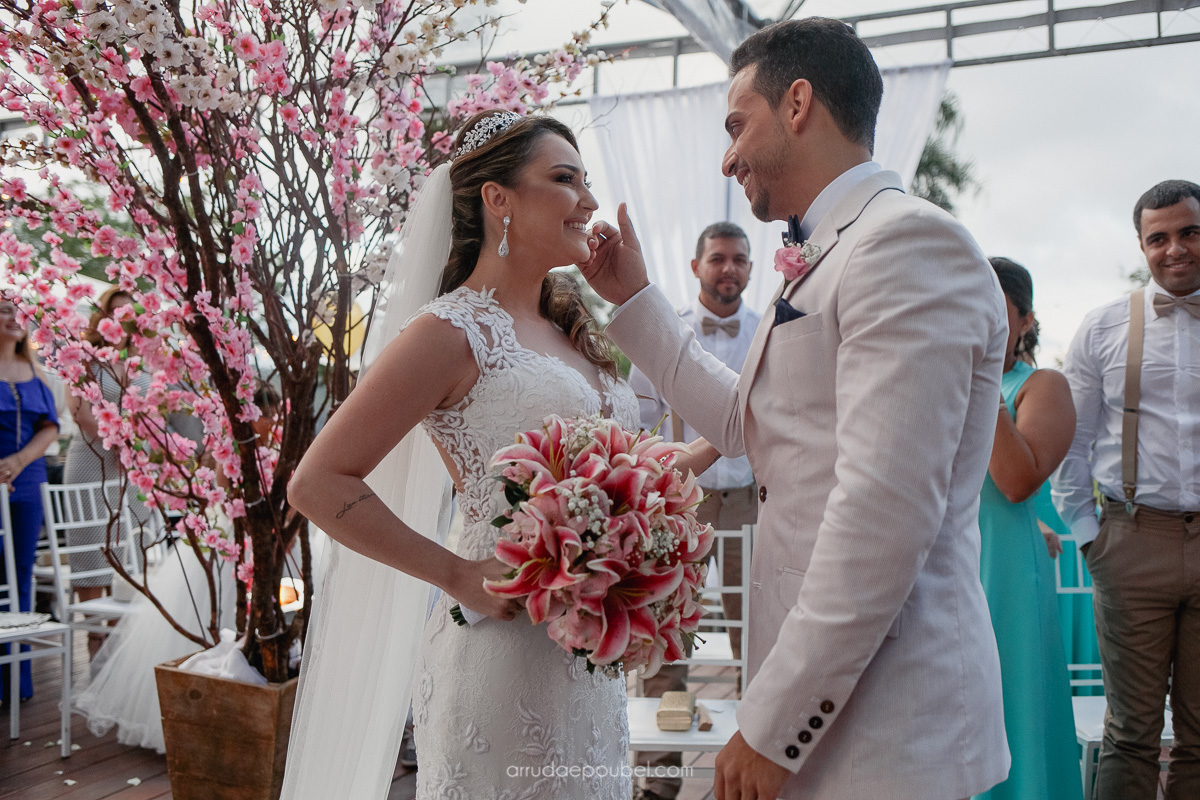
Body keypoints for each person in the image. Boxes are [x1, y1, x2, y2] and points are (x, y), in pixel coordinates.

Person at [579, 18, 1009, 800]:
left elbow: (885, 512)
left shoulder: (904, 245)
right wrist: (636, 301)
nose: (728, 155)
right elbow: (750, 423)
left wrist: (775, 726)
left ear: (799, 103)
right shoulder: (824, 252)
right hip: (825, 692)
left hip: (888, 716)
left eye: (737, 123)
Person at [282, 111, 717, 800]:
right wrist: (453, 572)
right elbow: (316, 483)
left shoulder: (577, 331)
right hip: (498, 652)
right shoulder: (449, 331)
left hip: (585, 657)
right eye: (564, 179)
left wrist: (731, 426)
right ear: (498, 198)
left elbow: (627, 486)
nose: (590, 200)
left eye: (587, 181)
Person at [1051, 179, 1200, 800]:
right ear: (1141, 247)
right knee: (1132, 732)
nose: (1175, 249)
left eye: (1189, 232)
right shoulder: (1105, 326)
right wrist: (1093, 541)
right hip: (1132, 543)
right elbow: (1072, 443)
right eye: (1158, 238)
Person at [74, 381, 284, 752]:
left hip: (270, 536)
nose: (269, 420)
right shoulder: (233, 443)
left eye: (272, 414)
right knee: (209, 616)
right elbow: (221, 489)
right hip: (230, 532)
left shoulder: (282, 444)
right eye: (264, 413)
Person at [629, 221, 760, 800]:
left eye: (738, 259)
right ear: (696, 266)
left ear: (751, 269)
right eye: (717, 258)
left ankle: (758, 770)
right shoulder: (668, 336)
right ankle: (659, 780)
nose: (728, 268)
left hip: (759, 507)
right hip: (682, 507)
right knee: (667, 638)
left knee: (759, 637)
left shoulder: (771, 335)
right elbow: (637, 422)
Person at [973, 258, 1080, 800]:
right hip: (946, 558)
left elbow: (1016, 482)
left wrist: (979, 381)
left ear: (1025, 319)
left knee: (1009, 700)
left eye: (995, 306)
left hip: (1007, 569)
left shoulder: (1043, 385)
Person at [63, 286, 153, 656]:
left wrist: (138, 443)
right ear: (102, 316)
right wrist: (119, 439)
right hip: (91, 462)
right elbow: (79, 412)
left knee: (130, 548)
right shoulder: (84, 360)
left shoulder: (145, 363)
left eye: (129, 311)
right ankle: (94, 639)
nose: (122, 317)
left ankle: (120, 646)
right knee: (90, 549)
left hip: (135, 472)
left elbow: (154, 414)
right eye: (114, 311)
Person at [0, 294, 60, 706]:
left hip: (28, 477)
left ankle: (16, 682)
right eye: (4, 309)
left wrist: (18, 461)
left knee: (21, 570)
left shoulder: (37, 372)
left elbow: (50, 427)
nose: (13, 317)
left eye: (17, 309)